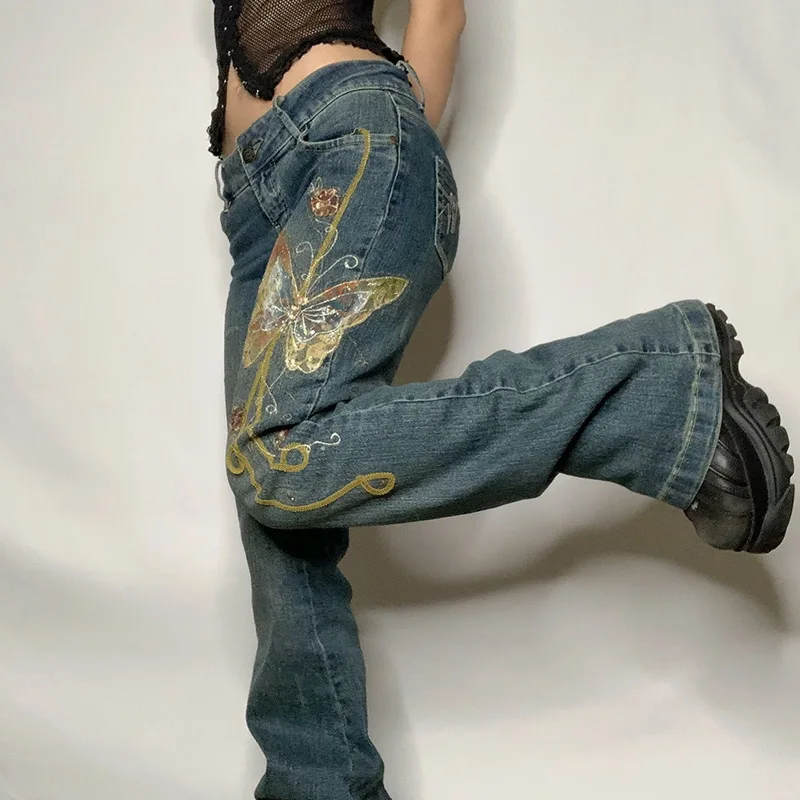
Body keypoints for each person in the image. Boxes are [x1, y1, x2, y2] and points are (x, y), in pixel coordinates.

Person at [210, 1, 795, 797]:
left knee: (281, 457)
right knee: (282, 519)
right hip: (255, 205)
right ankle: (319, 786)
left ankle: (657, 381)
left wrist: (390, 158)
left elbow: (440, 11)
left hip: (345, 140)